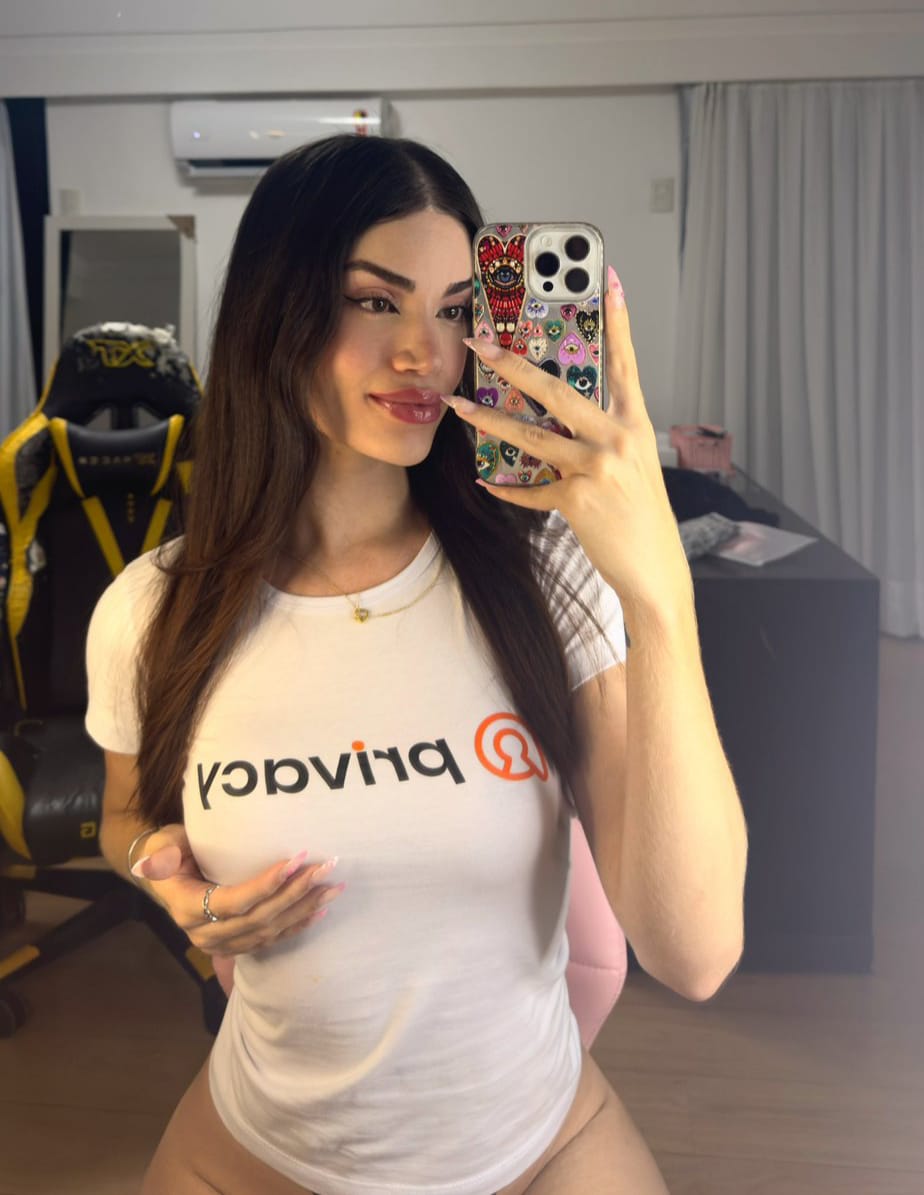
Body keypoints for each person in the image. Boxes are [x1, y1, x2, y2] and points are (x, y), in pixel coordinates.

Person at [86, 134, 748, 1195]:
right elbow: (126, 818)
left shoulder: (545, 577)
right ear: (274, 314)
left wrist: (660, 595)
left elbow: (696, 951)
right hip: (254, 1150)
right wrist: (171, 884)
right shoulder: (151, 612)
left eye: (453, 310)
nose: (425, 354)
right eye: (374, 300)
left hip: (542, 1146)